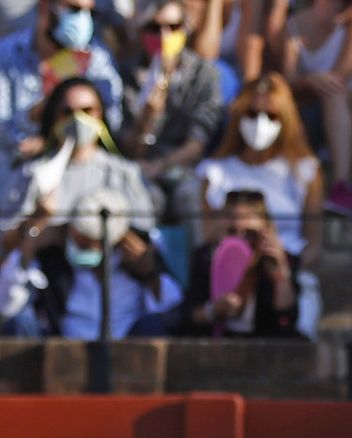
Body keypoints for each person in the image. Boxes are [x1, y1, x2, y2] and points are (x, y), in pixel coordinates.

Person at [197, 74, 324, 334]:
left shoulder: (305, 171)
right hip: (226, 281)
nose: (261, 123)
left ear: (286, 120)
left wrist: (282, 268)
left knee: (296, 333)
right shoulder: (213, 172)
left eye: (271, 116)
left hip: (286, 276)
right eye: (252, 114)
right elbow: (206, 239)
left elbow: (314, 245)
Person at [0, 184, 180, 337]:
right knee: (21, 324)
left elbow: (173, 311)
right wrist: (29, 249)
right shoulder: (52, 257)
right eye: (78, 240)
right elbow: (8, 305)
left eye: (89, 245)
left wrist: (149, 273)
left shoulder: (138, 254)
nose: (81, 249)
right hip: (63, 349)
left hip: (126, 348)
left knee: (153, 325)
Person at [1, 77, 156, 252]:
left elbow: (146, 243)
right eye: (67, 112)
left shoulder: (124, 172)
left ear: (100, 113)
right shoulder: (31, 173)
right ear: (54, 117)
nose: (78, 118)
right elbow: (5, 250)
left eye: (87, 110)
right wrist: (36, 221)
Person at [120, 1, 224, 222]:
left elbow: (196, 144)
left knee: (191, 197)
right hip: (140, 170)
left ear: (185, 28)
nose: (163, 35)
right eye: (154, 28)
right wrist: (145, 119)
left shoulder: (204, 75)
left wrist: (161, 166)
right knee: (143, 200)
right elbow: (129, 150)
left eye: (173, 26)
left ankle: (201, 257)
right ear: (141, 30)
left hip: (182, 169)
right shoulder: (125, 76)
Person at [0, 0, 124, 174]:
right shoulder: (6, 56)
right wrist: (33, 119)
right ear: (45, 7)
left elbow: (114, 120)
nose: (82, 19)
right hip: (19, 170)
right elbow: (3, 131)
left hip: (83, 168)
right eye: (74, 9)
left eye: (90, 12)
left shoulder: (97, 58)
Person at [279, 0, 352, 216]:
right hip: (309, 101)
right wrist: (309, 81)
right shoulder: (294, 23)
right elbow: (289, 82)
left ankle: (342, 185)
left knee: (335, 94)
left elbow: (342, 75)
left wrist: (312, 84)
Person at [166, 188, 300, 335]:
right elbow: (190, 315)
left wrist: (280, 275)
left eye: (250, 234)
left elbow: (285, 320)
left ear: (266, 230)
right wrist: (214, 310)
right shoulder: (205, 257)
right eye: (232, 232)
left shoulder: (282, 260)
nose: (240, 241)